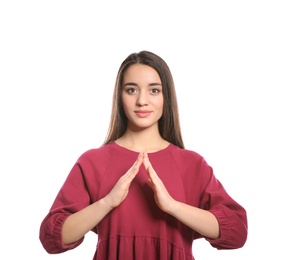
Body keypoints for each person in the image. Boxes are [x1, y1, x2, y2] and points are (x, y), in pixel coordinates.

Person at [39, 50, 248, 259]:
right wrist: (106, 203)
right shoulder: (93, 162)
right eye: (131, 90)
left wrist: (173, 207)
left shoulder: (192, 164)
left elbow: (237, 233)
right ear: (119, 96)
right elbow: (52, 239)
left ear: (167, 96)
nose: (142, 101)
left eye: (154, 90)